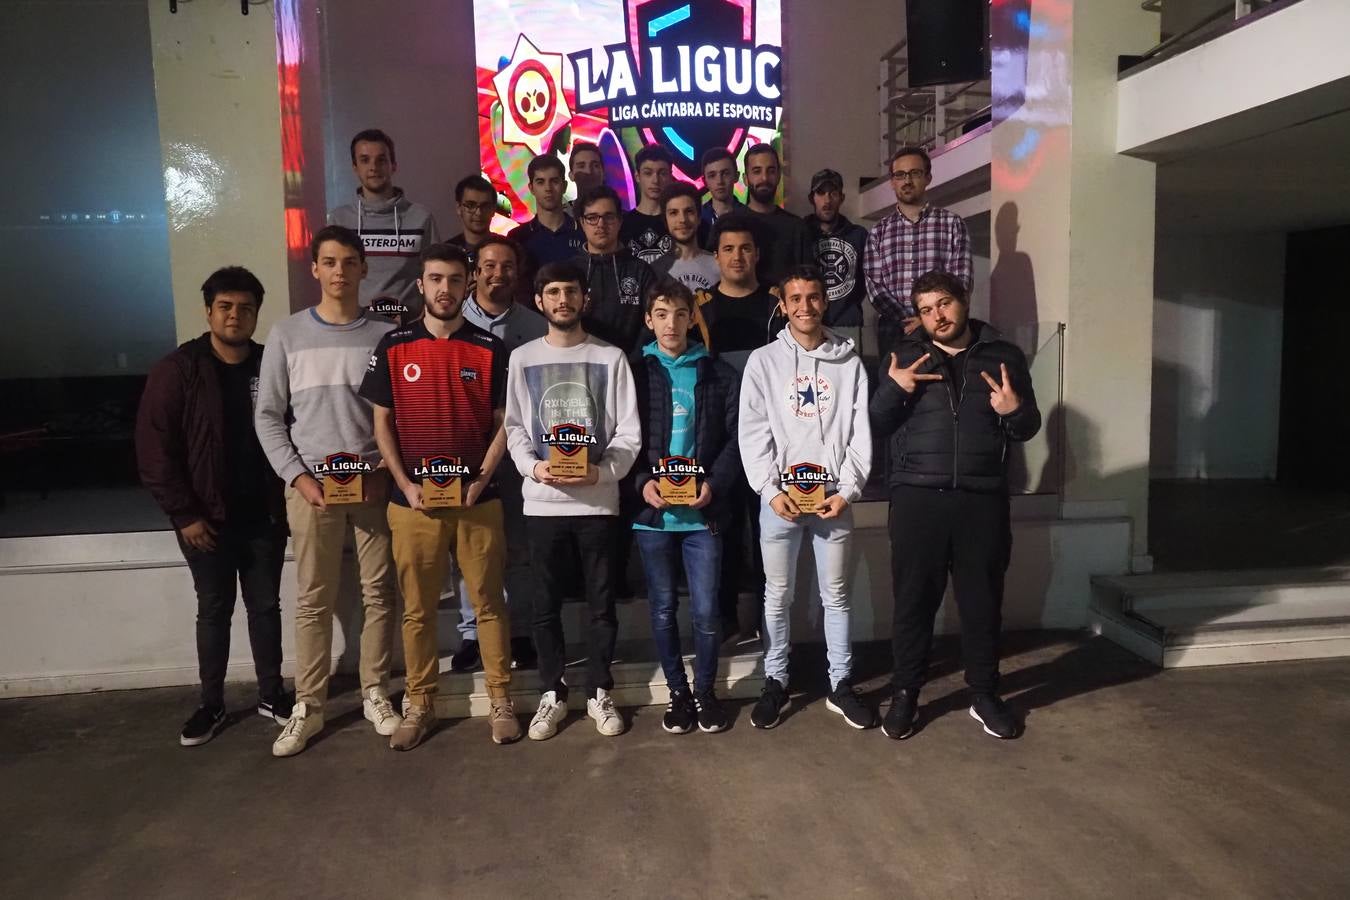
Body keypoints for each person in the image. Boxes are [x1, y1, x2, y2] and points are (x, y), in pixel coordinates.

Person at [359, 242, 521, 750]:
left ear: (467, 283)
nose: (445, 289)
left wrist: (481, 478)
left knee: (490, 604)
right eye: (435, 279)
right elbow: (380, 422)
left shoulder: (492, 349)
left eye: (454, 279)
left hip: (478, 500)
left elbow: (504, 424)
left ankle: (501, 700)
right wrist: (404, 484)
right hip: (414, 505)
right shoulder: (393, 345)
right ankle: (419, 704)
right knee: (417, 609)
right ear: (421, 285)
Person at [869, 269, 1039, 741]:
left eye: (943, 304)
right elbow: (877, 422)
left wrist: (1015, 410)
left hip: (982, 500)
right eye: (925, 309)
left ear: (964, 299)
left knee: (983, 604)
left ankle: (984, 694)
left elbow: (1028, 427)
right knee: (913, 604)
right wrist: (894, 387)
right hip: (917, 498)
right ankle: (906, 694)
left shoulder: (1004, 356)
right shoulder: (904, 355)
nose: (936, 316)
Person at [254, 225, 401, 758]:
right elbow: (268, 417)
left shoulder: (384, 336)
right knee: (313, 598)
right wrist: (297, 477)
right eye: (329, 262)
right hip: (312, 486)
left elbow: (395, 418)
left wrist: (388, 469)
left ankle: (375, 692)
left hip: (371, 483)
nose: (340, 272)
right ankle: (309, 706)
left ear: (364, 270)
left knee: (379, 592)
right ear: (314, 269)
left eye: (349, 262)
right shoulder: (286, 335)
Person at [135, 266, 290, 747]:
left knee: (265, 607)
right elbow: (154, 449)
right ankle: (212, 703)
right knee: (214, 609)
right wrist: (184, 514)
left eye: (245, 308)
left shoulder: (269, 365)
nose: (235, 316)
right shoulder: (178, 370)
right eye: (225, 306)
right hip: (206, 521)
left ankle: (271, 693)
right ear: (208, 311)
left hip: (263, 516)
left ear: (256, 315)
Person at [504, 261, 641, 740]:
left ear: (585, 299)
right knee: (545, 605)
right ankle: (552, 692)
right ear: (539, 301)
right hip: (542, 503)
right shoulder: (521, 358)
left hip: (598, 504)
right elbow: (516, 426)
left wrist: (603, 472)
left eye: (571, 292)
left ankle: (599, 689)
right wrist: (534, 467)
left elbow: (628, 431)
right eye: (553, 292)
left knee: (601, 605)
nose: (563, 300)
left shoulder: (612, 357)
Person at [738, 265, 874, 731]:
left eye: (813, 297)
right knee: (778, 596)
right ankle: (775, 681)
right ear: (783, 305)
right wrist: (770, 491)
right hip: (782, 502)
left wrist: (850, 490)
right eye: (795, 299)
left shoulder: (850, 363)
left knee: (836, 596)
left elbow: (860, 433)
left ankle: (841, 684)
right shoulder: (763, 362)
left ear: (825, 301)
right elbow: (753, 431)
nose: (805, 307)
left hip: (833, 499)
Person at [631, 279, 741, 734]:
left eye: (680, 313)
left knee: (706, 612)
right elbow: (624, 437)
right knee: (661, 609)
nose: (671, 323)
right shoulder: (635, 372)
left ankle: (705, 693)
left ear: (692, 318)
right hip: (654, 518)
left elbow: (737, 439)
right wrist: (641, 484)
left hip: (703, 517)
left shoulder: (717, 372)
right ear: (648, 320)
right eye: (662, 314)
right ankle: (677, 694)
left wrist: (715, 485)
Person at [453, 235, 547, 672]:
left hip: (520, 456)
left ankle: (524, 631)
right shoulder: (450, 322)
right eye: (489, 266)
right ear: (475, 272)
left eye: (507, 266)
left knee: (521, 548)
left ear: (518, 272)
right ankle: (472, 634)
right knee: (469, 547)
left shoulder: (534, 324)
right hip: (465, 453)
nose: (498, 274)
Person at [698, 213, 780, 638]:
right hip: (722, 439)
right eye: (728, 249)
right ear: (715, 256)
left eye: (745, 248)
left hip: (771, 438)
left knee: (768, 530)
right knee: (725, 530)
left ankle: (771, 620)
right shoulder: (701, 310)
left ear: (757, 254)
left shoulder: (777, 304)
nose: (737, 256)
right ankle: (727, 618)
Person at [863, 146, 973, 359]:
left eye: (915, 173)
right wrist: (908, 318)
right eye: (900, 175)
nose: (907, 181)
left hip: (942, 329)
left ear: (928, 177)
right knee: (894, 390)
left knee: (942, 390)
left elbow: (961, 282)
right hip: (895, 331)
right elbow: (875, 286)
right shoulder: (878, 231)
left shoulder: (952, 224)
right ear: (892, 182)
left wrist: (927, 317)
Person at [328, 128, 440, 312]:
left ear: (393, 165)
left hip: (409, 330)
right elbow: (329, 280)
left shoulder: (421, 217)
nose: (373, 167)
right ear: (355, 167)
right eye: (365, 160)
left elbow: (435, 275)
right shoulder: (339, 220)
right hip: (355, 329)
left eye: (381, 160)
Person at [573, 184, 657, 353]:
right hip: (580, 364)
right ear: (582, 222)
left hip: (632, 367)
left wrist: (631, 359)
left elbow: (653, 321)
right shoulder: (569, 271)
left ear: (620, 220)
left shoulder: (640, 271)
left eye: (608, 217)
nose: (601, 224)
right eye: (592, 217)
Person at [804, 168, 869, 338]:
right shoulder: (799, 233)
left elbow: (866, 281)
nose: (827, 200)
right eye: (821, 193)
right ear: (812, 198)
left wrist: (849, 306)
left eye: (833, 193)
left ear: (842, 198)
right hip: (808, 323)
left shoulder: (859, 235)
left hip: (848, 324)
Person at [742, 143, 812, 288]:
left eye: (771, 171)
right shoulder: (730, 225)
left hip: (785, 309)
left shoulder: (797, 227)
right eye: (756, 171)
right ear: (745, 179)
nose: (764, 178)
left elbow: (807, 282)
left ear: (779, 176)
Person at [508, 154, 586, 269]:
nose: (548, 188)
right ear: (531, 188)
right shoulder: (517, 237)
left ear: (564, 186)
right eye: (540, 182)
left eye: (554, 181)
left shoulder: (584, 232)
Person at [651, 181, 720, 293]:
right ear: (665, 220)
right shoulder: (655, 270)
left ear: (699, 217)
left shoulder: (720, 265)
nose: (682, 219)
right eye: (674, 213)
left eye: (689, 211)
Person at [620, 145, 674, 264]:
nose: (655, 180)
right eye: (648, 173)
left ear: (670, 176)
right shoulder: (622, 224)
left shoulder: (679, 221)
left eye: (662, 173)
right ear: (637, 177)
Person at [697, 147, 746, 250]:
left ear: (736, 176)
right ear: (704, 181)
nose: (719, 181)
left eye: (725, 173)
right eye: (712, 175)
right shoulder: (697, 219)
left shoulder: (749, 216)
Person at [448, 174, 499, 273]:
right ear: (459, 208)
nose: (479, 213)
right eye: (471, 205)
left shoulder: (507, 249)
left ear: (493, 209)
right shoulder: (448, 251)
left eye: (485, 206)